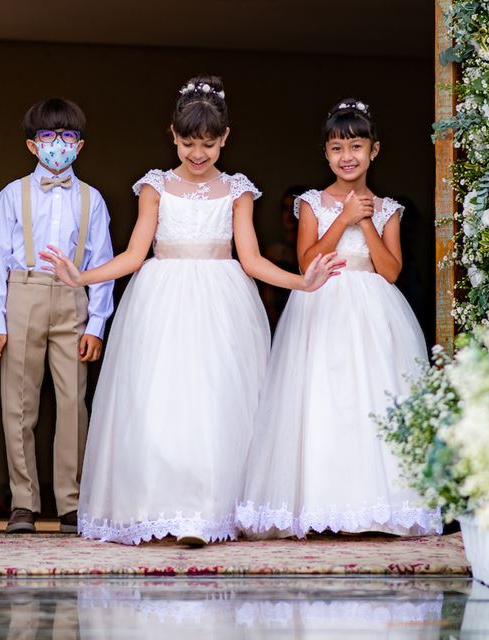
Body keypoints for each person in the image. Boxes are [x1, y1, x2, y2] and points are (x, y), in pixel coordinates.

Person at [40, 75, 344, 546]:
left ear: (225, 138)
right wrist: (81, 277)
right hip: (161, 299)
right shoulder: (155, 186)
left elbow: (254, 259)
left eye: (207, 143)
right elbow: (134, 254)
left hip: (223, 300)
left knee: (218, 403)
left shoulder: (238, 190)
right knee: (160, 404)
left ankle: (208, 514)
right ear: (172, 135)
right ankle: (164, 510)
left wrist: (301, 282)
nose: (197, 154)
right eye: (187, 143)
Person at [237, 99, 443, 538]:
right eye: (336, 148)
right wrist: (344, 218)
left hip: (372, 310)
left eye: (355, 146)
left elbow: (390, 271)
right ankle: (319, 505)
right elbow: (307, 259)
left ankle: (372, 506)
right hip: (322, 303)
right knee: (321, 397)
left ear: (374, 150)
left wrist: (366, 221)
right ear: (326, 153)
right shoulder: (311, 203)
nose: (346, 156)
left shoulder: (387, 209)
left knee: (370, 397)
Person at [0, 99, 115, 534]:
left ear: (80, 146)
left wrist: (97, 324)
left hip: (73, 299)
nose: (58, 145)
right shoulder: (11, 194)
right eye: (48, 137)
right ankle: (23, 502)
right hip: (23, 294)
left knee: (73, 402)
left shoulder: (91, 199)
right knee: (18, 403)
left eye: (67, 137)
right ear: (32, 145)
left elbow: (101, 262)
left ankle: (71, 502)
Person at [259, 185, 306, 329]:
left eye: (295, 209)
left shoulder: (315, 253)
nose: (290, 215)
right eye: (285, 208)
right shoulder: (275, 252)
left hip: (305, 314)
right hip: (279, 318)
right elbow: (267, 295)